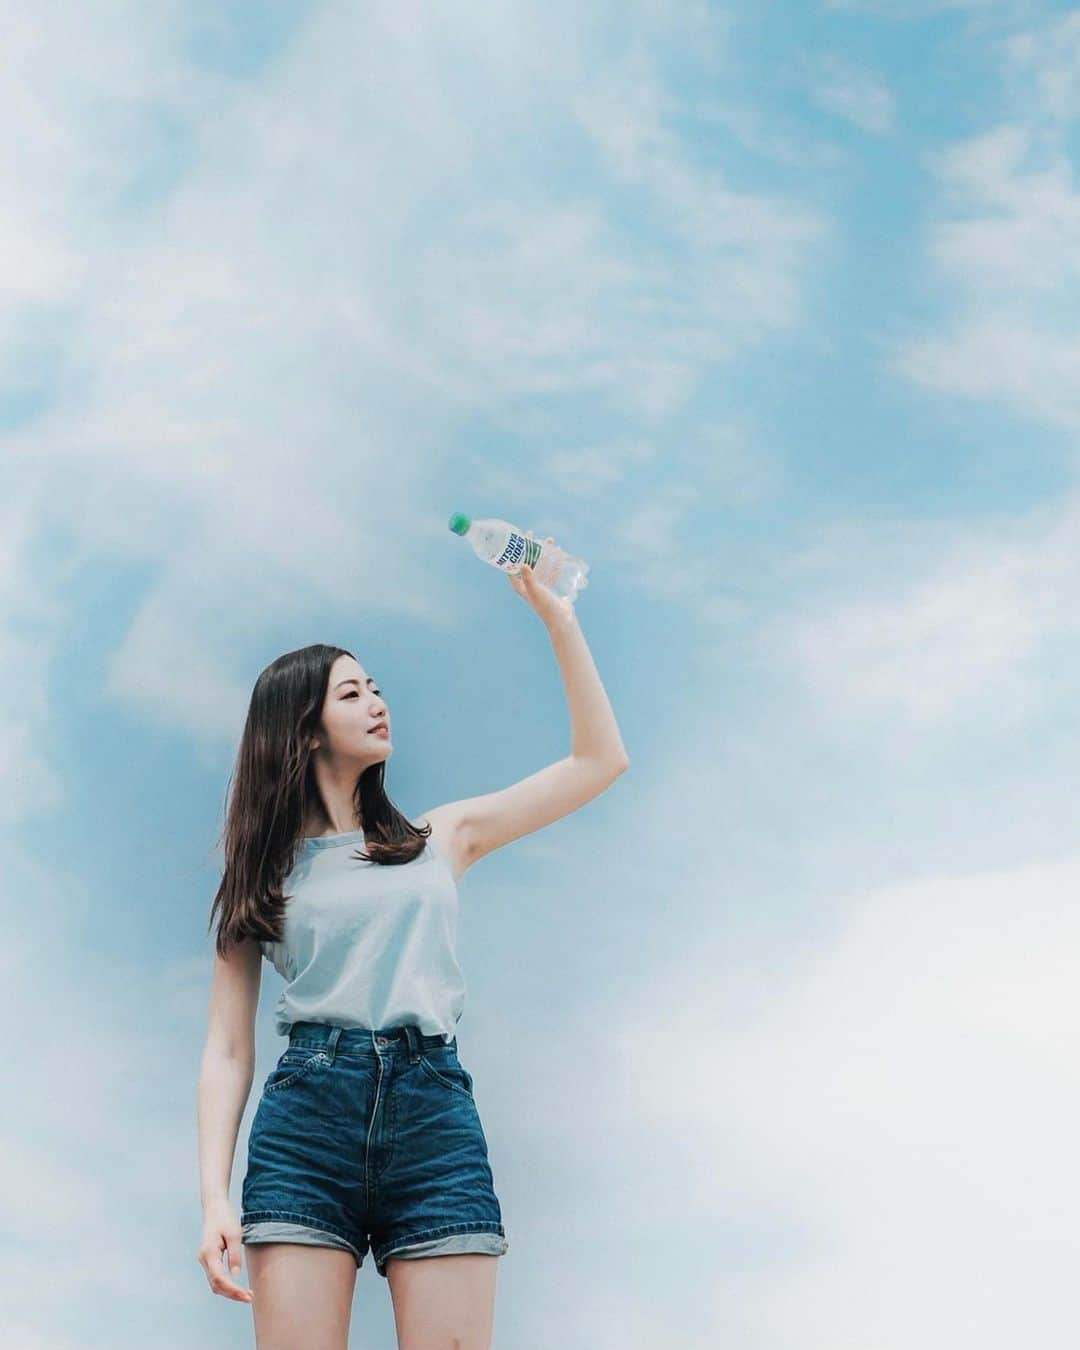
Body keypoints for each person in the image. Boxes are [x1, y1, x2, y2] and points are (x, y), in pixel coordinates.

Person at [196, 554, 629, 1348]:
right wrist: (214, 1199)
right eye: (352, 693)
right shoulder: (261, 877)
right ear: (303, 727)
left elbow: (598, 762)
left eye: (378, 688)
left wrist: (558, 620)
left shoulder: (439, 839)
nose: (378, 704)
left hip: (433, 1119)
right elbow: (227, 1049)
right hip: (304, 1125)